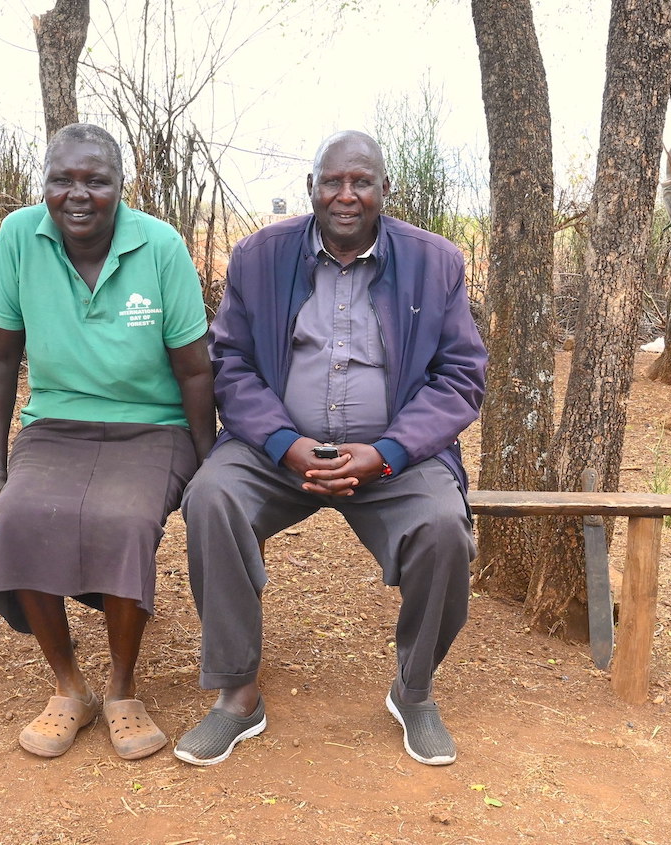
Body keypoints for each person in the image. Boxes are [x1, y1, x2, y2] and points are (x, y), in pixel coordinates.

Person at [174, 130, 486, 767]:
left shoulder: (435, 262)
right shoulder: (260, 257)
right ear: (311, 188)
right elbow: (229, 361)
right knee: (211, 496)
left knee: (444, 527)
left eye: (361, 182)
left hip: (393, 458)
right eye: (332, 182)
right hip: (277, 453)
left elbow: (461, 378)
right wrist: (284, 442)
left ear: (384, 192)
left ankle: (415, 690)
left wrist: (389, 451)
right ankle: (236, 695)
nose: (346, 195)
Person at [0, 123, 215, 761]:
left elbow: (194, 369)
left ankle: (123, 687)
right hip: (57, 422)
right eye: (62, 180)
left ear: (121, 188)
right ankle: (70, 686)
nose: (78, 195)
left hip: (154, 425)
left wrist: (213, 466)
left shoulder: (159, 246)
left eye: (95, 181)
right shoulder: (20, 237)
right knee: (22, 511)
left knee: (125, 518)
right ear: (44, 184)